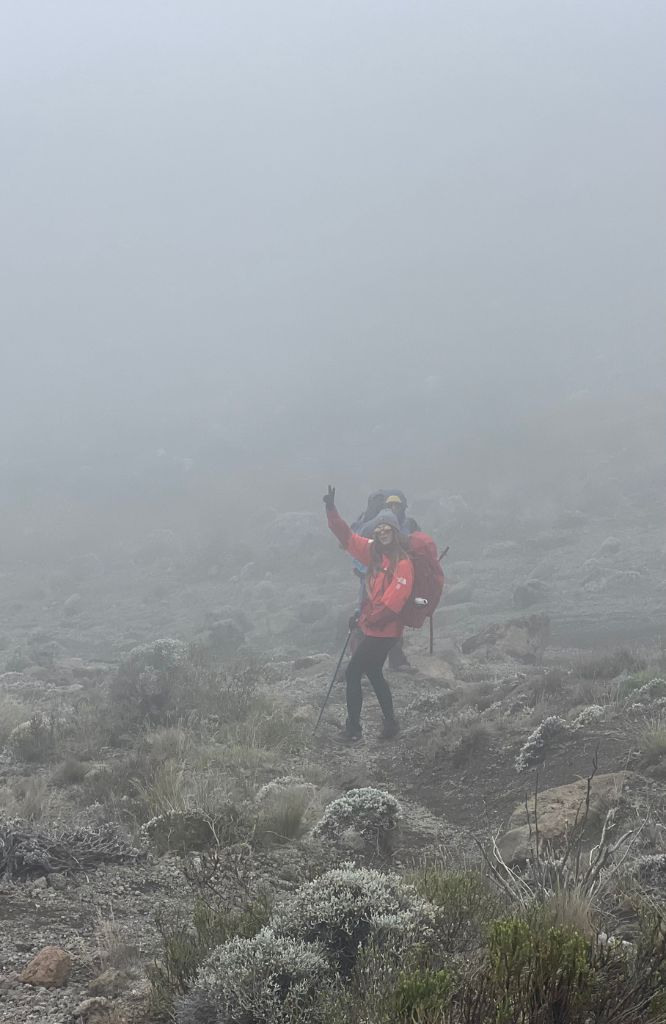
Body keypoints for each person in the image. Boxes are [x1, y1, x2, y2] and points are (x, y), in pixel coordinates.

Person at [323, 485, 414, 741]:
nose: (383, 532)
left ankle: (353, 730)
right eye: (379, 529)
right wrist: (331, 510)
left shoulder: (403, 563)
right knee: (373, 672)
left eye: (388, 529)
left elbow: (392, 604)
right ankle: (390, 724)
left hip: (385, 633)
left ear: (396, 532)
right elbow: (347, 537)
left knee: (353, 673)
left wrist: (363, 619)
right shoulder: (373, 553)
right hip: (376, 630)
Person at [354, 490, 421, 673]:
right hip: (373, 576)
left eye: (397, 505)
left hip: (391, 574)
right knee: (366, 615)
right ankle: (362, 661)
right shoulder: (376, 524)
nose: (393, 509)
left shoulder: (404, 523)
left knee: (391, 615)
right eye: (390, 505)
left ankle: (392, 659)